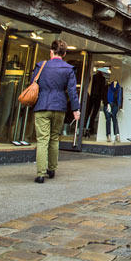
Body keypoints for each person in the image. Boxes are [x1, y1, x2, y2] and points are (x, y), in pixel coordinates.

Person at [31, 39, 80, 183]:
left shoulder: (41, 66)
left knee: (42, 140)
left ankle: (40, 173)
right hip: (59, 106)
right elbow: (72, 91)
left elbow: (33, 83)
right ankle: (51, 169)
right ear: (64, 54)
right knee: (54, 138)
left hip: (42, 105)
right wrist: (75, 109)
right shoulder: (68, 69)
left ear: (51, 52)